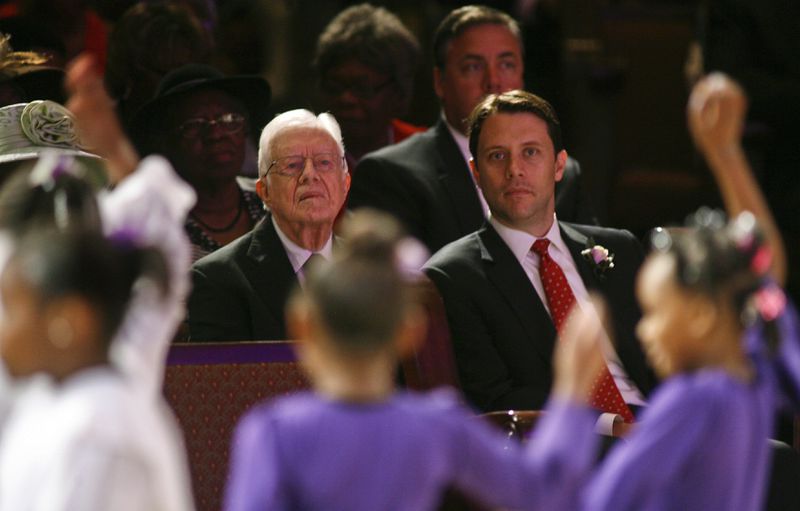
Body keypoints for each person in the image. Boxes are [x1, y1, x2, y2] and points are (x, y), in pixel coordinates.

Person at [223, 209, 603, 511]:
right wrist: (572, 390)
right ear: (411, 331)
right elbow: (538, 492)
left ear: (303, 325)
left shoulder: (275, 431)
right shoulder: (437, 426)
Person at [544, 73, 800, 511]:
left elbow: (599, 504)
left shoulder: (691, 400)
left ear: (700, 315)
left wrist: (569, 397)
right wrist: (725, 153)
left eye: (656, 312)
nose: (644, 330)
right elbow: (763, 271)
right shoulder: (750, 374)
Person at [0, 54, 195, 510]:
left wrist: (120, 156)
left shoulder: (100, 429)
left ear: (69, 320)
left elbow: (157, 243)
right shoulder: (53, 367)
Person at [424, 90, 656, 428]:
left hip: (661, 425)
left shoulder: (619, 247)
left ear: (559, 165)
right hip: (572, 441)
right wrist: (609, 425)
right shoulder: (453, 276)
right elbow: (496, 398)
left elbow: (665, 361)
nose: (514, 170)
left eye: (530, 152)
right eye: (497, 156)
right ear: (475, 172)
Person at [348, 4, 595, 255]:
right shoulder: (392, 176)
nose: (494, 81)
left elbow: (592, 268)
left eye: (507, 64)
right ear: (440, 82)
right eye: (473, 67)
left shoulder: (563, 174)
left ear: (522, 75)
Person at [187, 109, 351, 342]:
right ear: (264, 191)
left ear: (345, 183)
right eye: (292, 165)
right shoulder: (218, 279)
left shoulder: (372, 270)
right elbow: (224, 377)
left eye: (324, 162)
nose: (309, 175)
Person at [131, 63, 271, 261]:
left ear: (245, 130)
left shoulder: (273, 203)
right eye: (194, 125)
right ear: (165, 143)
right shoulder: (154, 225)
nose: (215, 134)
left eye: (229, 119)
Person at [314, 3, 424, 169]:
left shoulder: (425, 154)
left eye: (362, 88)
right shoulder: (300, 158)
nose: (346, 99)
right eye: (334, 86)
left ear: (399, 93)